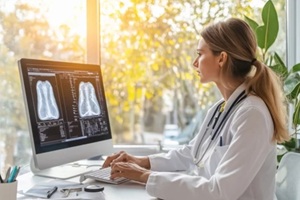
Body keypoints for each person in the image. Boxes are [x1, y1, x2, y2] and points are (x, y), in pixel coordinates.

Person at [103, 18, 290, 200]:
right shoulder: (221, 108)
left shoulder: (252, 115)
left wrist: (145, 176)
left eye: (200, 54)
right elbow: (192, 154)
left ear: (221, 59)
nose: (195, 62)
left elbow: (219, 191)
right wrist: (141, 162)